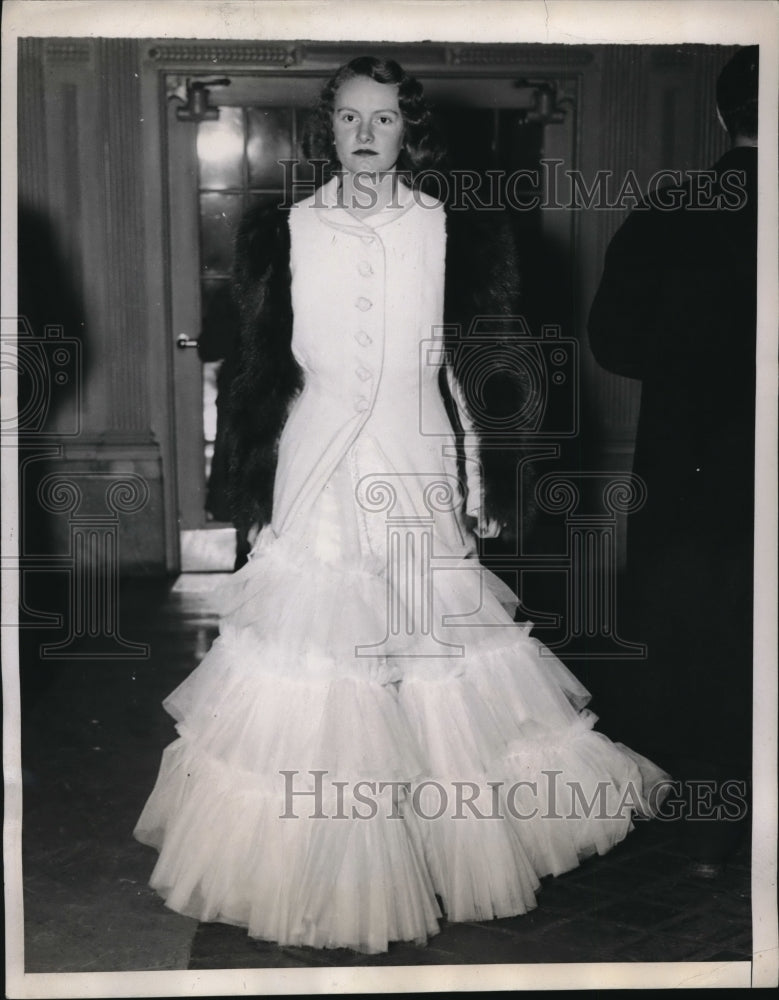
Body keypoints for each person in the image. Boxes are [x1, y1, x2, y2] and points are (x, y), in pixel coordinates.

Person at [135, 56, 667, 954]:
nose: (366, 135)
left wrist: (483, 478)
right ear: (328, 127)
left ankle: (429, 850)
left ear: (406, 129)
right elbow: (259, 370)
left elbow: (488, 363)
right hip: (316, 467)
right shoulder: (284, 230)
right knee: (321, 663)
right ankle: (318, 863)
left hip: (416, 459)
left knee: (430, 661)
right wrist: (254, 486)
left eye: (384, 120)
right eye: (350, 119)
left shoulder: (456, 227)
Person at [587, 47, 757, 872]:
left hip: (689, 473)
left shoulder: (672, 209)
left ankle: (705, 833)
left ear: (723, 116)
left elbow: (613, 341)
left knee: (697, 643)